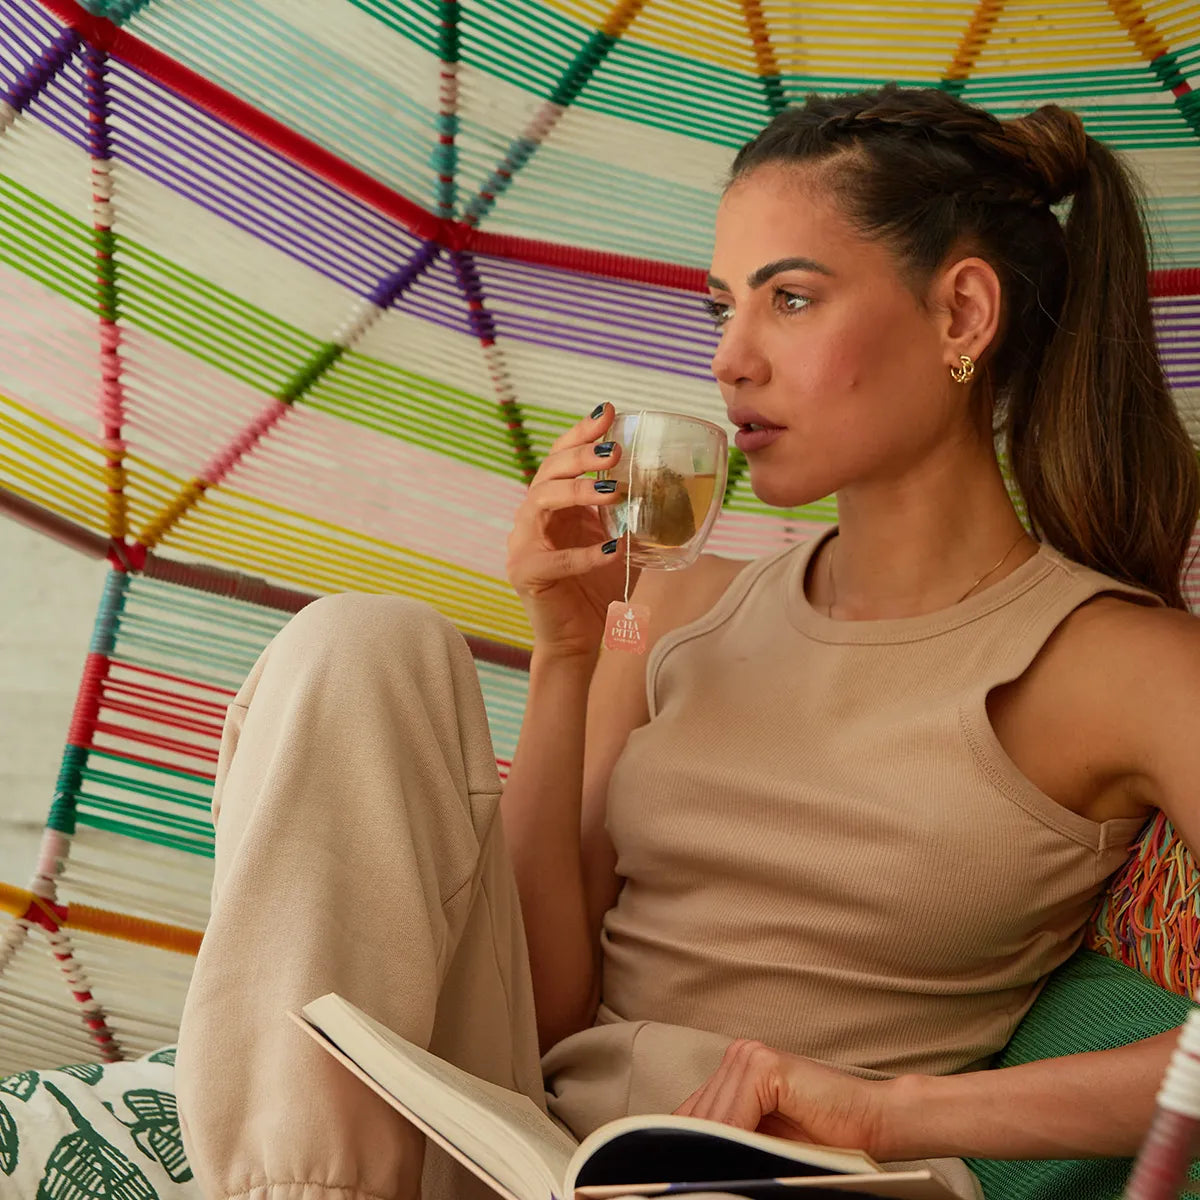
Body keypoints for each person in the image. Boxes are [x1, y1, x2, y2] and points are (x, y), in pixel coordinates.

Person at [176, 83, 1200, 1200]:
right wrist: (567, 657)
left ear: (960, 315)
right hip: (524, 1140)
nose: (730, 358)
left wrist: (896, 1112)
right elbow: (552, 1001)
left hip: (778, 1180)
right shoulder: (659, 608)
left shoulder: (1118, 664)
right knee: (362, 643)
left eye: (791, 301)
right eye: (723, 307)